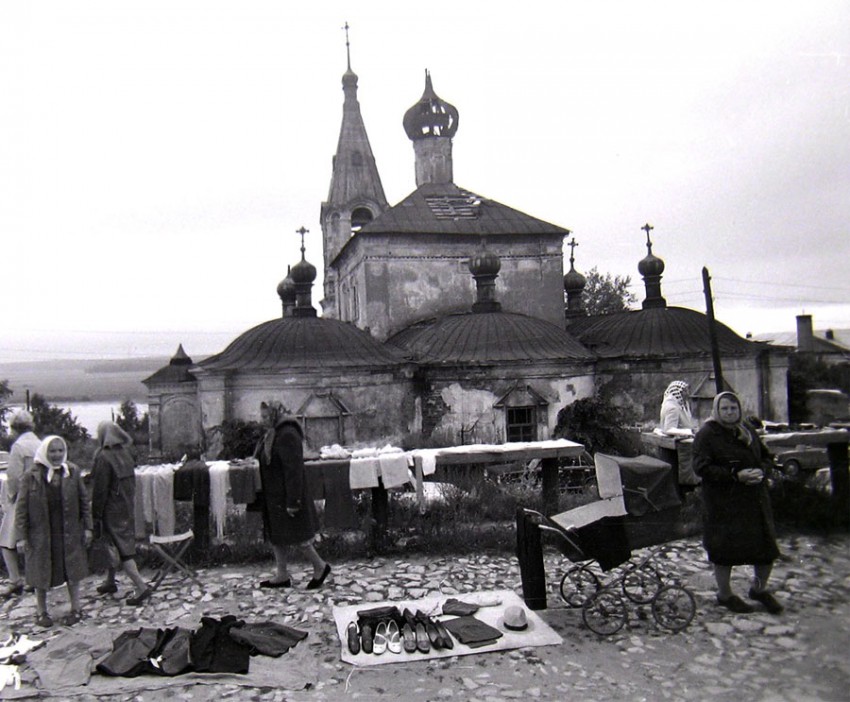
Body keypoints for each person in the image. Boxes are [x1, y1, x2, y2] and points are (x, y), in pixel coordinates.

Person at [693, 391, 782, 614]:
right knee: (724, 550)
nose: (730, 412)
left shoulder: (747, 430)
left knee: (766, 549)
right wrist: (735, 475)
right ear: (716, 410)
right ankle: (725, 595)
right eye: (725, 408)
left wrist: (762, 471)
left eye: (734, 408)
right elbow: (701, 468)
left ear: (739, 410)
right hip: (724, 501)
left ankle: (758, 590)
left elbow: (765, 456)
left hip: (754, 499)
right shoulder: (707, 434)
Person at [15, 435, 93, 627]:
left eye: (60, 450)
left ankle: (76, 608)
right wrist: (21, 537)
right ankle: (42, 612)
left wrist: (88, 527)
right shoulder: (31, 476)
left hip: (67, 531)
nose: (57, 455)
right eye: (52, 451)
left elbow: (84, 502)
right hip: (41, 534)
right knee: (40, 572)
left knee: (72, 571)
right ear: (44, 452)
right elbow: (21, 509)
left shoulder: (72, 472)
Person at [255, 400, 331, 590]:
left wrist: (293, 501)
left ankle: (320, 566)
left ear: (275, 414)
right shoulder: (274, 432)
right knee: (277, 535)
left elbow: (293, 470)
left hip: (287, 495)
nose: (262, 420)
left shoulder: (287, 434)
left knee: (299, 536)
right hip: (275, 495)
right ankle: (282, 575)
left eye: (265, 416)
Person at [90, 421, 151, 606]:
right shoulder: (126, 453)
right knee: (118, 542)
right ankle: (110, 581)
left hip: (110, 508)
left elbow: (100, 489)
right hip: (125, 505)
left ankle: (141, 587)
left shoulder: (103, 457)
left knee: (122, 549)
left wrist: (96, 514)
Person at [0, 411, 40, 598]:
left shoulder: (19, 446)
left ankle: (15, 580)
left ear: (15, 428)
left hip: (22, 498)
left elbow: (13, 476)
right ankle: (34, 578)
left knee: (7, 540)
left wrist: (11, 496)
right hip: (39, 496)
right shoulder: (40, 443)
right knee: (32, 539)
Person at [657, 380, 700, 486]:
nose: (688, 393)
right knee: (683, 473)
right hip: (680, 445)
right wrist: (689, 432)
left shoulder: (681, 404)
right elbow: (669, 429)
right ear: (678, 392)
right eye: (685, 391)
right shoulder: (672, 407)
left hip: (685, 442)